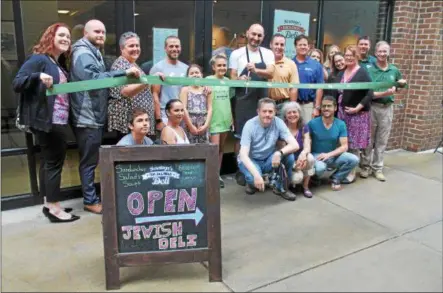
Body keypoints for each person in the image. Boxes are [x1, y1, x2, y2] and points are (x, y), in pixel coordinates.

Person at [70, 19, 142, 214]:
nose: (101, 35)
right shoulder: (83, 53)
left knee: (92, 159)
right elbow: (93, 80)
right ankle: (90, 201)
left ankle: (93, 197)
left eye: (103, 32)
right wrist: (122, 72)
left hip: (93, 115)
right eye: (96, 32)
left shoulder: (93, 52)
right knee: (89, 161)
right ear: (85, 33)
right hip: (87, 116)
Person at [13, 23, 80, 223]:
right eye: (61, 35)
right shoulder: (39, 59)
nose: (66, 39)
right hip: (49, 122)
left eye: (68, 36)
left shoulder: (55, 62)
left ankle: (48, 203)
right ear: (50, 37)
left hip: (55, 120)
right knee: (53, 164)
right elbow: (17, 82)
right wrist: (38, 76)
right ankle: (54, 208)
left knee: (48, 163)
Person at [229, 23, 275, 185]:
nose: (256, 38)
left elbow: (270, 72)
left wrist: (255, 70)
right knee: (241, 136)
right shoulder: (236, 54)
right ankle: (240, 169)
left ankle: (261, 168)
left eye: (259, 35)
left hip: (262, 100)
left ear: (263, 37)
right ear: (247, 33)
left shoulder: (268, 53)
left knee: (262, 134)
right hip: (244, 100)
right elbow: (232, 78)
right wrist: (239, 80)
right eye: (253, 34)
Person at [361, 41, 406, 181]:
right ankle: (365, 167)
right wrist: (384, 93)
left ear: (389, 53)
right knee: (369, 139)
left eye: (385, 51)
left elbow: (400, 85)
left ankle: (378, 168)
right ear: (375, 53)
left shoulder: (394, 70)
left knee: (382, 140)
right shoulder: (369, 69)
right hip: (372, 106)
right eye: (380, 51)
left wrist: (399, 87)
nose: (382, 54)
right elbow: (366, 90)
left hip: (387, 109)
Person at [238, 98, 299, 201]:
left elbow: (295, 145)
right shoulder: (249, 125)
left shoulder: (278, 122)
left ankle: (282, 188)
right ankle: (250, 181)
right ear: (258, 111)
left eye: (270, 111)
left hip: (268, 159)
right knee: (254, 179)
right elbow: (243, 155)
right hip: (251, 160)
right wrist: (257, 175)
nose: (267, 114)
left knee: (289, 156)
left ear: (275, 112)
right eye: (264, 111)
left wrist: (279, 153)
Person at [330, 45, 373, 182]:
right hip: (342, 113)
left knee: (354, 145)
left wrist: (358, 108)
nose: (348, 58)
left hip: (357, 115)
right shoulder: (342, 72)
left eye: (351, 55)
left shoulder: (362, 72)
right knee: (344, 142)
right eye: (347, 55)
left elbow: (369, 92)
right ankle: (344, 168)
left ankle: (352, 172)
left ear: (357, 57)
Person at [108, 32, 157, 140]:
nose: (135, 48)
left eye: (137, 45)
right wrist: (147, 82)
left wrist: (154, 78)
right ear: (122, 48)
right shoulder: (120, 65)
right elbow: (124, 92)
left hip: (139, 122)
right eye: (131, 46)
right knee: (129, 153)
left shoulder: (132, 64)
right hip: (129, 122)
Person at [308, 96, 359, 191]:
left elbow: (344, 146)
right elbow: (306, 142)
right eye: (324, 106)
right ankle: (314, 178)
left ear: (335, 108)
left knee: (354, 159)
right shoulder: (312, 123)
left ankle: (336, 177)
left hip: (332, 155)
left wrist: (328, 154)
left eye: (329, 106)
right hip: (316, 155)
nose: (326, 108)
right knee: (320, 168)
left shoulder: (340, 124)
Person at [150, 36, 189, 133]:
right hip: (165, 115)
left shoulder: (186, 68)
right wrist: (158, 120)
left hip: (183, 115)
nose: (174, 49)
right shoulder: (158, 68)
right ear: (165, 48)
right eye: (171, 46)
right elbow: (155, 95)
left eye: (177, 46)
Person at [207, 54, 234, 188]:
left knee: (221, 149)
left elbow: (228, 101)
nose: (222, 67)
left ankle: (217, 174)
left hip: (225, 119)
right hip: (214, 120)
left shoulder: (228, 80)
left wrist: (231, 119)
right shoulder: (207, 80)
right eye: (219, 65)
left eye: (224, 65)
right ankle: (212, 176)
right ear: (213, 67)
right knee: (214, 149)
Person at [281, 102, 315, 198]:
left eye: (294, 112)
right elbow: (282, 149)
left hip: (301, 158)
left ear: (299, 114)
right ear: (285, 115)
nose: (292, 115)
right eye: (289, 113)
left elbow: (307, 144)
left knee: (311, 158)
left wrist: (303, 154)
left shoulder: (304, 127)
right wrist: (295, 165)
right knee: (297, 178)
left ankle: (305, 187)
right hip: (288, 159)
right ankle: (287, 185)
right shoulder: (282, 128)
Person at [293, 34, 324, 122]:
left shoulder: (316, 65)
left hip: (308, 105)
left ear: (308, 47)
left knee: (307, 133)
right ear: (295, 46)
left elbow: (320, 87)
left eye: (305, 45)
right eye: (300, 45)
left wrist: (317, 108)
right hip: (292, 105)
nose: (303, 47)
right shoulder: (290, 63)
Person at [179, 64, 212, 144]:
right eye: (192, 73)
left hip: (203, 124)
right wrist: (190, 126)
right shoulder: (185, 90)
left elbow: (210, 108)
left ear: (201, 75)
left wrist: (206, 125)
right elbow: (183, 108)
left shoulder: (207, 90)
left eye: (197, 72)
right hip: (189, 123)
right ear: (188, 76)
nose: (195, 75)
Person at [268, 33, 299, 114]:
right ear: (271, 45)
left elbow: (294, 88)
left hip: (283, 105)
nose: (279, 47)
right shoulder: (264, 62)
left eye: (282, 44)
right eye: (276, 44)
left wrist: (292, 107)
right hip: (266, 104)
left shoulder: (291, 64)